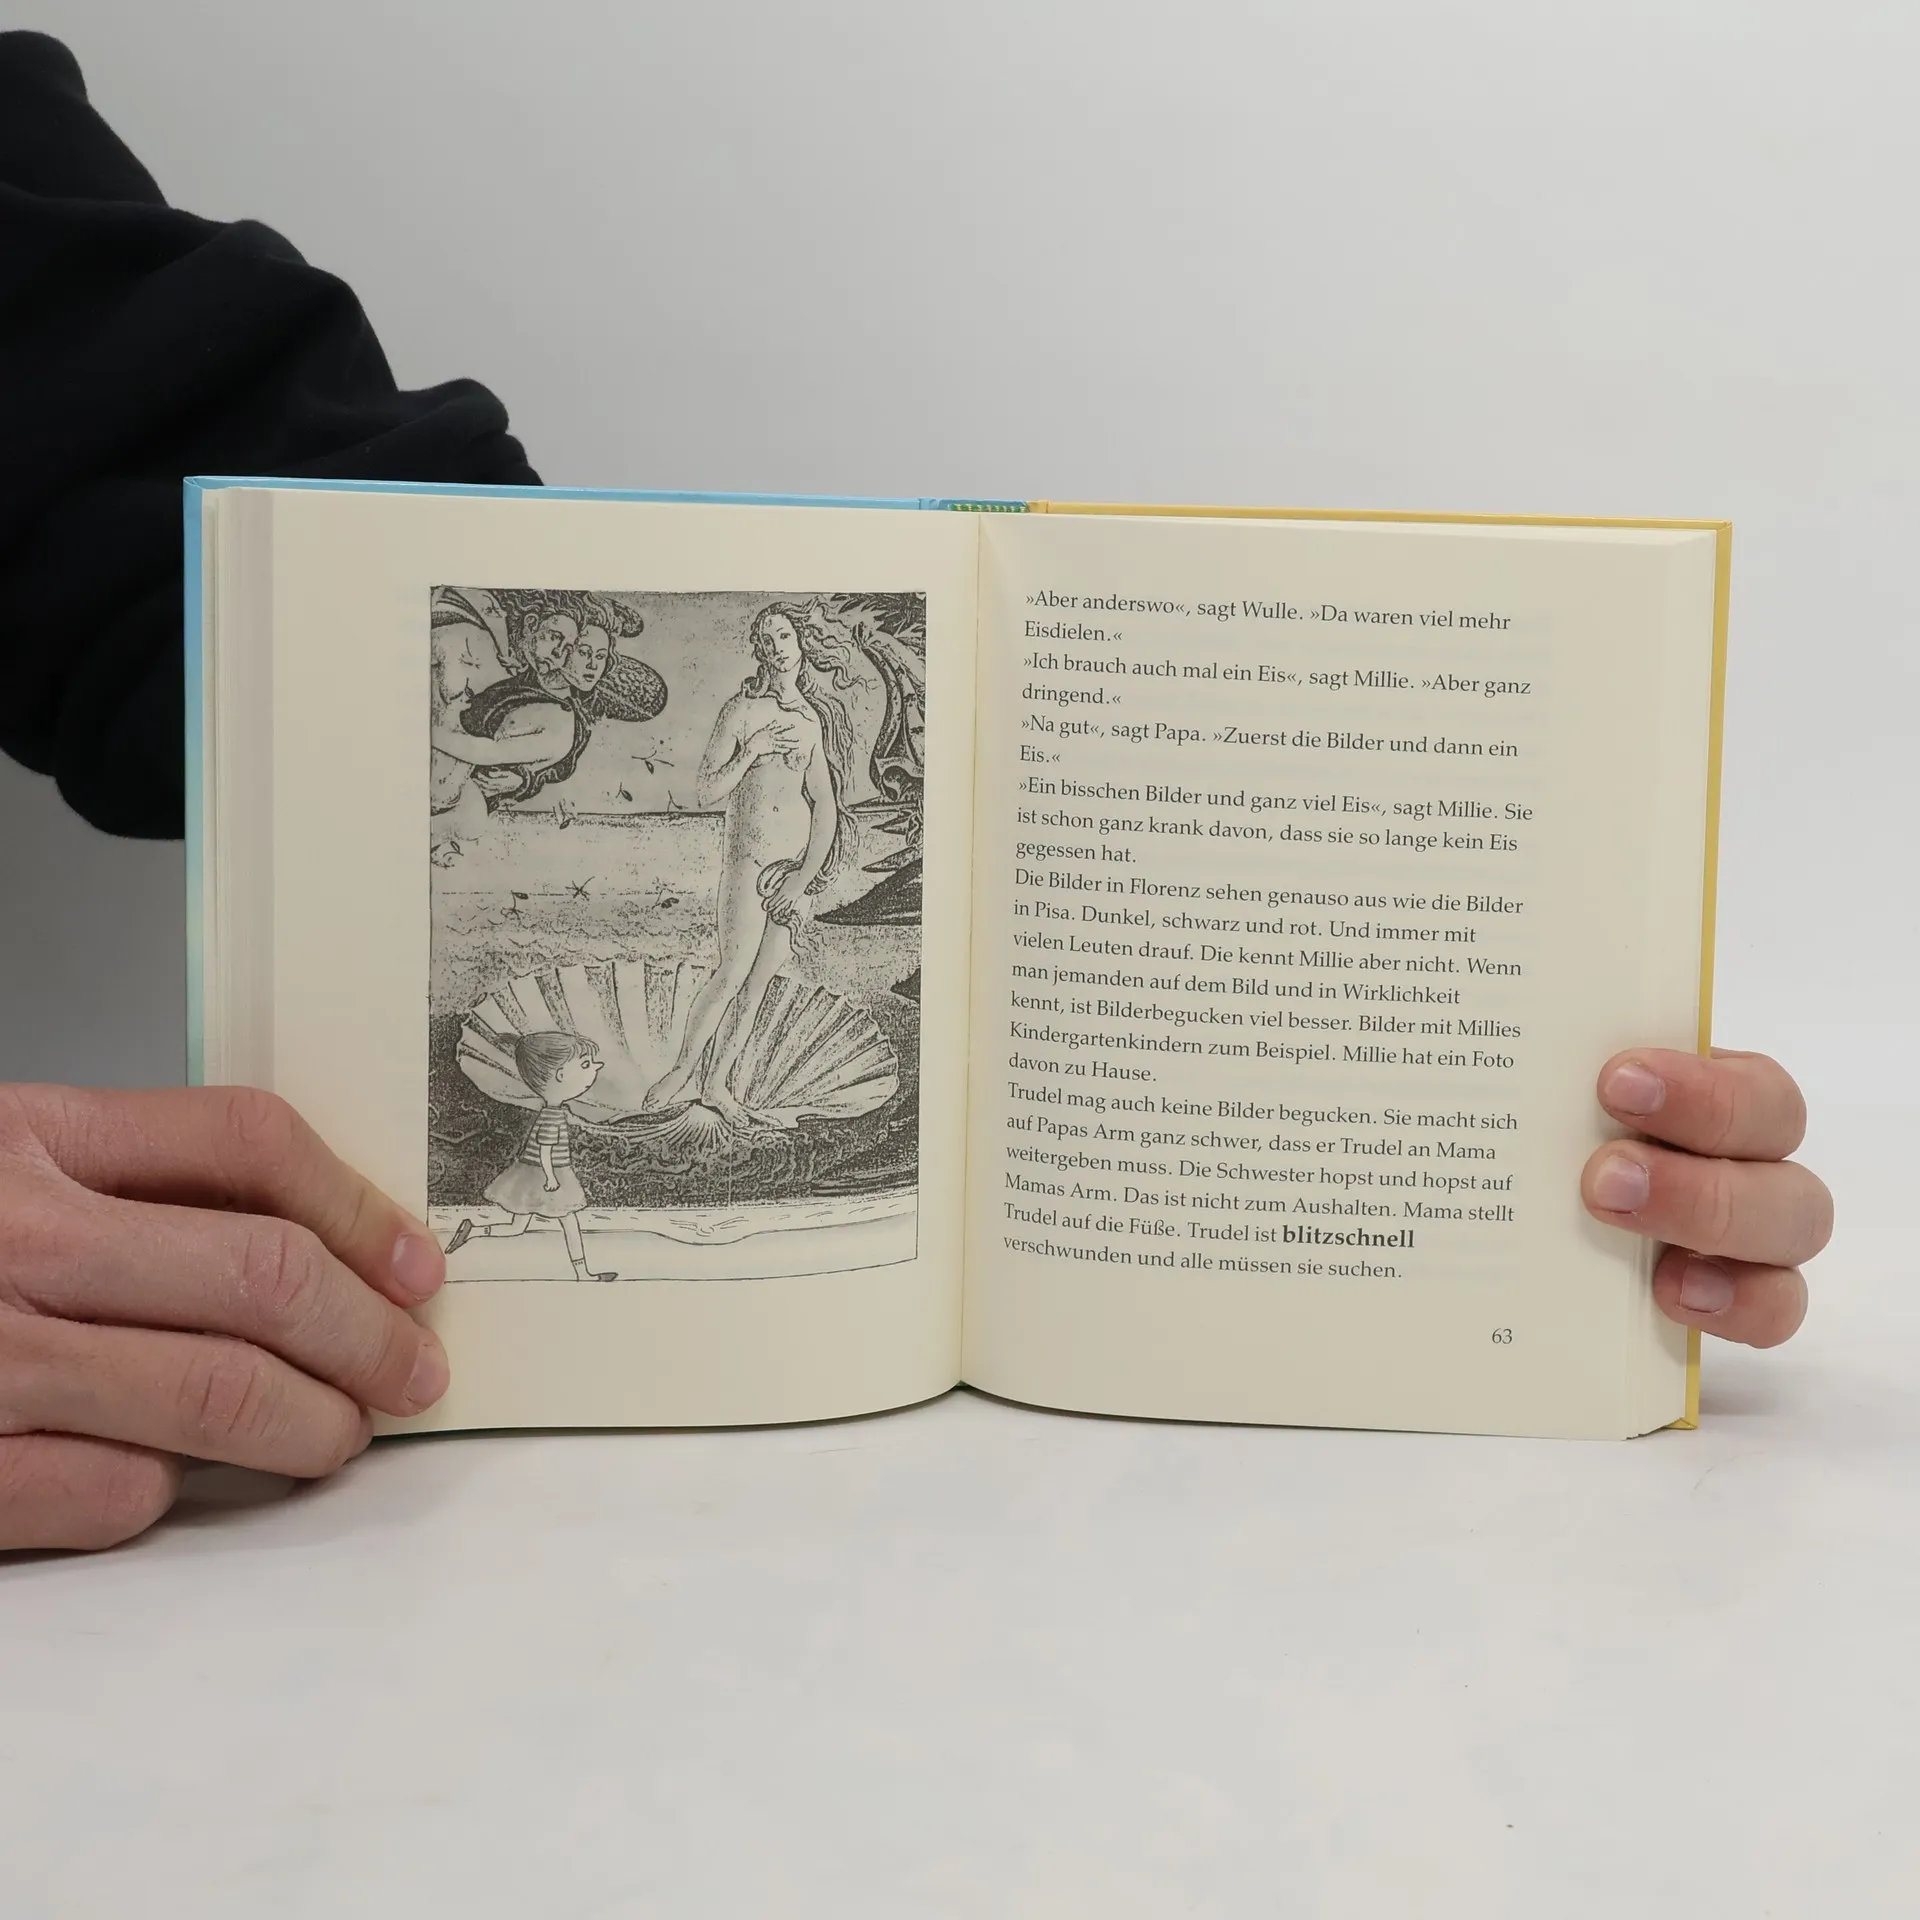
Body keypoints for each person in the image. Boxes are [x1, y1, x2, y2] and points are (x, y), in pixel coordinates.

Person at [0, 31, 1832, 1552]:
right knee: (737, 952)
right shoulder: (761, 733)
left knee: (756, 963)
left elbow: (250, 558)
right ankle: (705, 1083)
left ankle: (720, 1082)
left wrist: (1471, 1088)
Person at [640, 604, 860, 1127]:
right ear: (759, 650)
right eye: (768, 638)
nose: (778, 647)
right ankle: (682, 1072)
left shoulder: (811, 720)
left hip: (792, 875)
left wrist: (803, 879)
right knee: (732, 972)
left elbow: (824, 806)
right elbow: (706, 790)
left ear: (801, 644)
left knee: (759, 982)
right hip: (749, 867)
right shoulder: (741, 711)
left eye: (785, 635)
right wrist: (752, 750)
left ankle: (716, 1085)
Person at [444, 1032, 615, 1283]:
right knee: (569, 1221)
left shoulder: (552, 1112)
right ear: (561, 1075)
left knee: (516, 1227)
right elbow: (545, 1149)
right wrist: (551, 1179)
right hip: (547, 1175)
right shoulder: (552, 1116)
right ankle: (583, 1274)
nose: (596, 1067)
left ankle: (473, 1231)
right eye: (586, 1064)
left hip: (532, 1174)